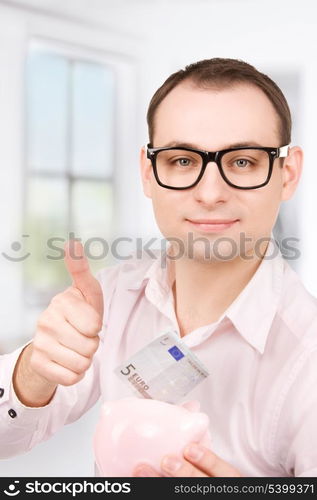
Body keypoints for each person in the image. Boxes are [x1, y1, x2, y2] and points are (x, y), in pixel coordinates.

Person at [0, 57, 316, 478]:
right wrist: (34, 370)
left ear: (287, 174)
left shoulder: (307, 358)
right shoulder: (110, 299)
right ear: (148, 173)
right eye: (182, 161)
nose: (209, 193)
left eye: (243, 161)